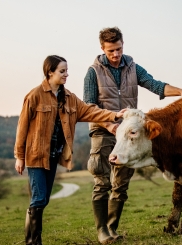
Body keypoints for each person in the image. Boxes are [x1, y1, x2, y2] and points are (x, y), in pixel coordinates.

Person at [83, 27, 182, 244]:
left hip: (128, 132)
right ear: (102, 49)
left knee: (121, 184)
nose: (116, 55)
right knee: (102, 180)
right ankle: (102, 231)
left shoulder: (132, 67)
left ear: (123, 45)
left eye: (118, 49)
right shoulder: (93, 72)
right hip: (103, 130)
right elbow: (89, 107)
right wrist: (109, 125)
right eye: (111, 51)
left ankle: (111, 228)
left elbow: (155, 85)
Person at [14, 55, 126, 245]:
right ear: (50, 72)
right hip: (35, 156)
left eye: (66, 70)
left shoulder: (69, 98)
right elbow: (22, 127)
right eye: (62, 71)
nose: (67, 74)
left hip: (53, 156)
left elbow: (91, 111)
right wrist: (19, 156)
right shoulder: (34, 96)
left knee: (43, 200)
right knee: (39, 199)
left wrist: (114, 115)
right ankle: (33, 242)